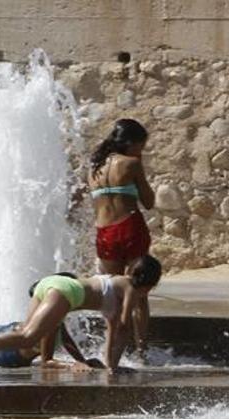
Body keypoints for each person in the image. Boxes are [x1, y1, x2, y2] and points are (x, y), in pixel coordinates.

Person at [0, 255, 162, 375]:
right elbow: (124, 328)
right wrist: (115, 367)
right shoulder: (132, 289)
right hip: (67, 291)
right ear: (150, 284)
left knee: (26, 337)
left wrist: (110, 366)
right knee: (29, 337)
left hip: (51, 283)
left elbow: (113, 331)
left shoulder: (115, 282)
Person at [88, 119, 155, 360]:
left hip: (104, 233)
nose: (142, 151)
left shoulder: (93, 168)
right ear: (130, 143)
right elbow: (149, 201)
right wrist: (140, 165)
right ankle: (141, 350)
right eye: (141, 145)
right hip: (129, 227)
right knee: (138, 292)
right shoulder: (132, 163)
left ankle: (113, 350)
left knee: (111, 293)